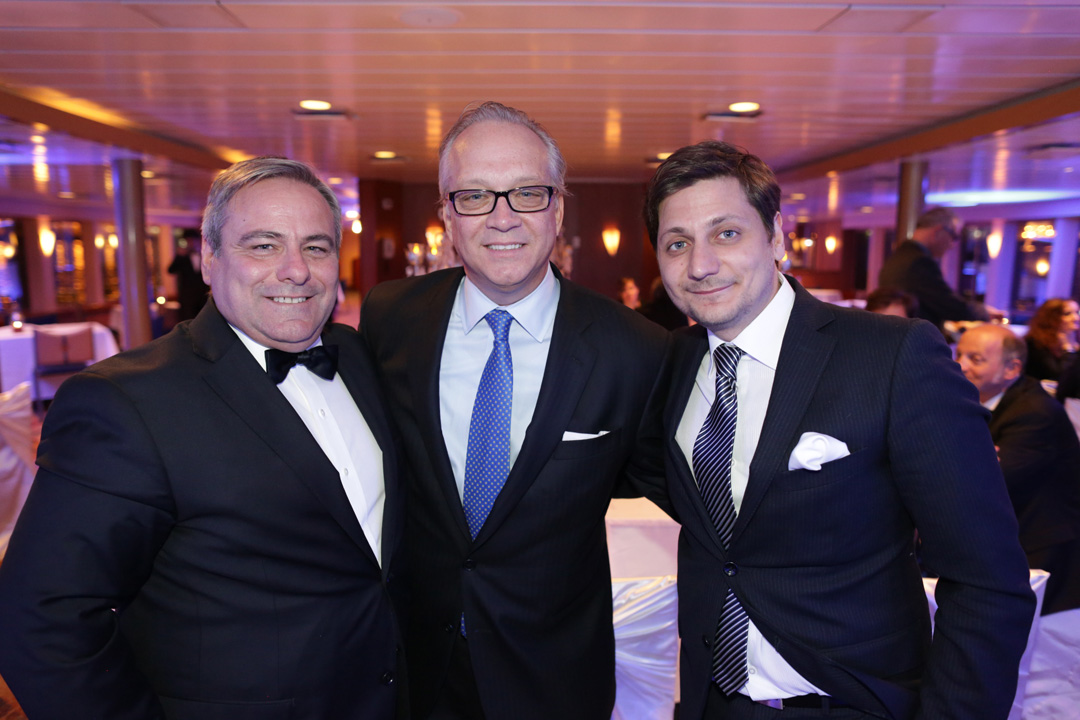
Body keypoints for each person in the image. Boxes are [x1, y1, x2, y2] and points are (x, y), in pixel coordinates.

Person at [0, 157, 405, 719]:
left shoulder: (357, 358)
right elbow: (41, 619)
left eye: (316, 247)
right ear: (209, 259)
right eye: (263, 245)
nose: (296, 270)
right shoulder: (125, 402)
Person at [644, 140, 1035, 719]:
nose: (700, 264)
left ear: (776, 237)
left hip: (853, 702)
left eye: (726, 233)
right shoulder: (668, 365)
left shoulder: (891, 356)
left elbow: (986, 578)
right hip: (713, 703)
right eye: (677, 243)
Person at [361, 101, 668, 720]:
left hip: (553, 676)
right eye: (475, 196)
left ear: (558, 209)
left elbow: (684, 487)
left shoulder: (635, 349)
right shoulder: (390, 317)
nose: (502, 217)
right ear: (447, 215)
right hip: (414, 666)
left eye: (527, 193)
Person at [956, 323, 1080, 616]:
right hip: (1004, 536)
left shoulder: (1034, 412)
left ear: (1012, 369)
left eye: (975, 359)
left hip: (1040, 546)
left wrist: (962, 458)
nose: (960, 365)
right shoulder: (966, 398)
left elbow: (987, 482)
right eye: (958, 355)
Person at [878, 206, 997, 330]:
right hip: (914, 336)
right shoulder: (919, 262)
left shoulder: (899, 256)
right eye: (954, 236)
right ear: (938, 231)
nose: (952, 245)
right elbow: (949, 306)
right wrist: (983, 312)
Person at [1023, 297, 1079, 382]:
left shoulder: (1075, 340)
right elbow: (1059, 375)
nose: (1076, 318)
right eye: (1067, 314)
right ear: (1051, 318)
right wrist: (1068, 349)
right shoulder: (1035, 342)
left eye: (1077, 312)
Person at [167, 229, 210, 321]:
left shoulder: (205, 255)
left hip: (203, 295)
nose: (191, 243)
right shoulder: (182, 257)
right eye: (188, 241)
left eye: (193, 240)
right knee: (188, 321)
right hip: (187, 297)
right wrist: (179, 256)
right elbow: (170, 270)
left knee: (205, 320)